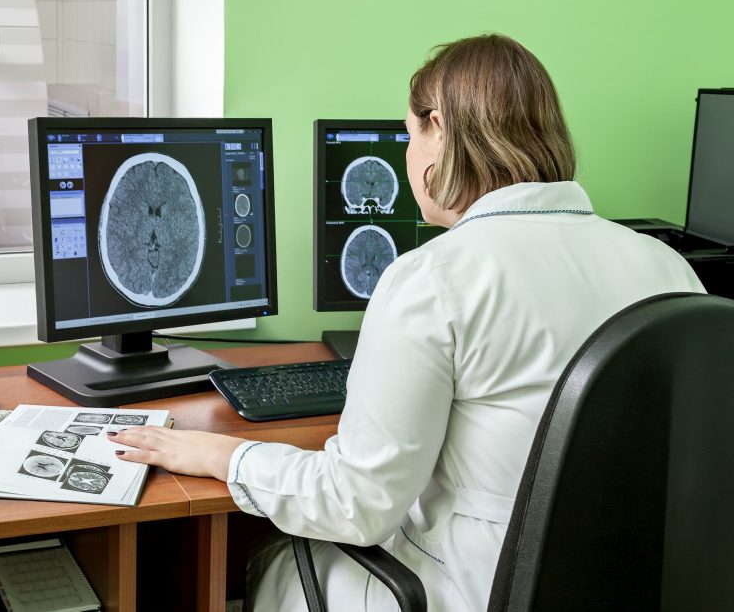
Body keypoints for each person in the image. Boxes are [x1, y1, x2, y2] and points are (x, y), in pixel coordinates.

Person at [110, 35, 707, 611]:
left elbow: (358, 503)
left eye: (408, 133)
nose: (407, 152)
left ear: (439, 128)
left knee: (273, 558)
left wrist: (221, 456)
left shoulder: (434, 278)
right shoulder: (667, 266)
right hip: (632, 586)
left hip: (474, 589)